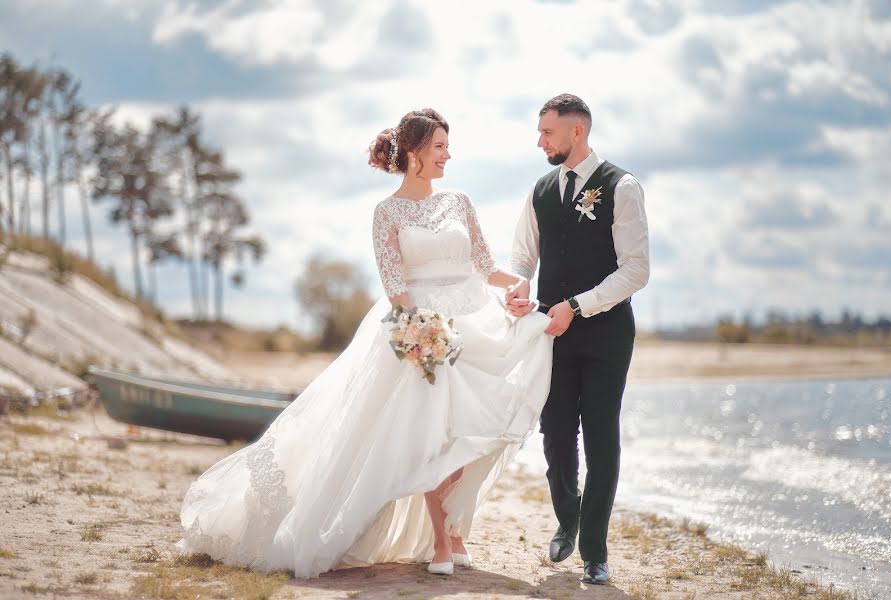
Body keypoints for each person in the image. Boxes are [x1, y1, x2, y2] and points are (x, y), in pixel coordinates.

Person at [176, 108, 554, 578]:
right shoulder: (386, 212)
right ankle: (440, 541)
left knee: (466, 432)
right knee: (430, 437)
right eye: (439, 146)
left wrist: (517, 288)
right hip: (422, 331)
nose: (447, 155)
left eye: (446, 146)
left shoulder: (459, 201)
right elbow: (395, 284)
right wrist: (422, 334)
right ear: (414, 153)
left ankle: (455, 527)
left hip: (475, 323)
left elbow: (485, 266)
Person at [506, 94, 650, 585]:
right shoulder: (541, 189)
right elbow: (524, 255)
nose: (540, 140)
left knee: (601, 438)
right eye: (540, 130)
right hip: (552, 333)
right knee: (556, 433)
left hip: (607, 333)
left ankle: (594, 549)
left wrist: (579, 305)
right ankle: (567, 517)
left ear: (577, 133)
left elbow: (636, 270)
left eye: (547, 131)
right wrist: (521, 284)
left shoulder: (622, 186)